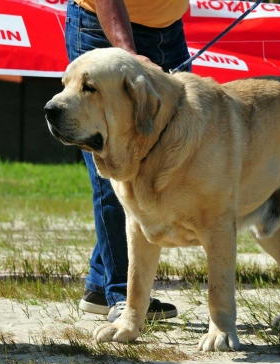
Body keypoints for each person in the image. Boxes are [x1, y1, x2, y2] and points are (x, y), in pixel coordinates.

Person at [65, 0, 191, 322]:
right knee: (118, 171)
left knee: (166, 162)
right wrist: (127, 53)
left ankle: (100, 284)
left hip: (170, 33)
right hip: (105, 29)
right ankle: (123, 296)